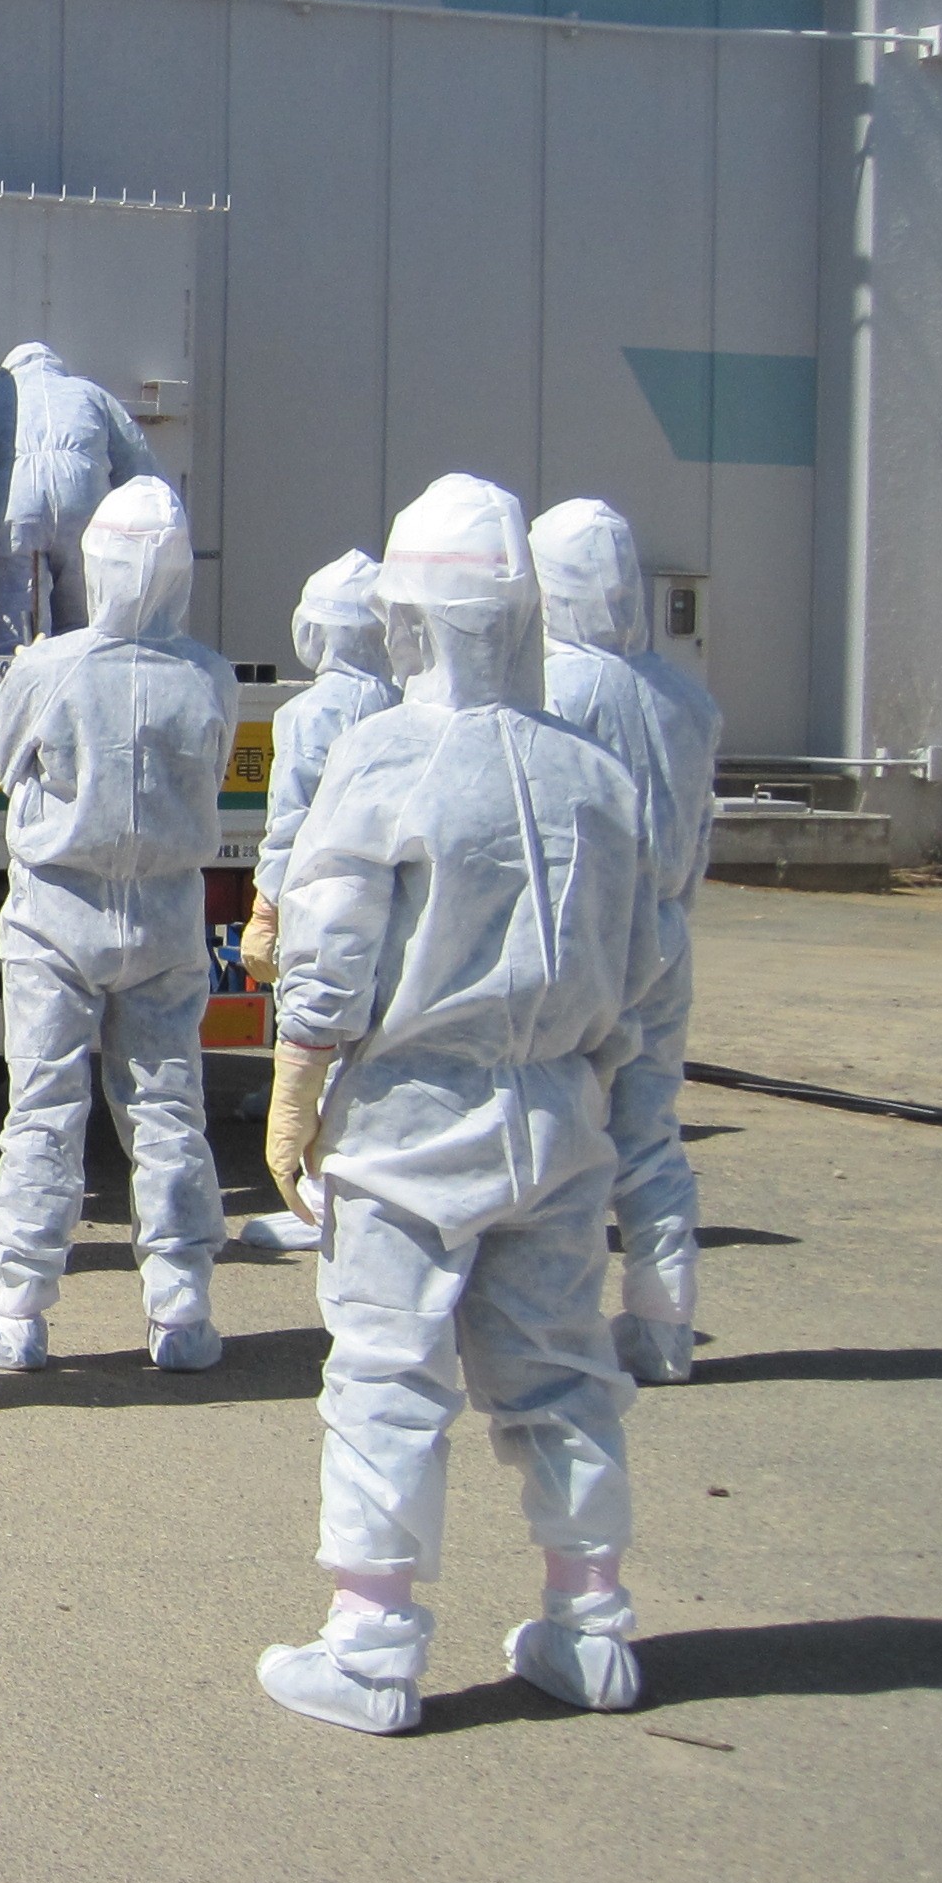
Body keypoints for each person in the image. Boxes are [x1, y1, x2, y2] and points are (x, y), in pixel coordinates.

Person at [256, 474, 660, 1734]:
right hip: (557, 1121)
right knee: (560, 1377)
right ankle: (592, 1627)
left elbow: (329, 955)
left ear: (407, 615)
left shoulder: (385, 756)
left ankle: (374, 1645)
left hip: (408, 1126)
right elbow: (637, 965)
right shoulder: (594, 776)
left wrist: (297, 1090)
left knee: (386, 1375)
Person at [0, 477, 235, 1373]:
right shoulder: (208, 677)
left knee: (45, 1107)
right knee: (170, 1107)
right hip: (169, 917)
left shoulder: (47, 667)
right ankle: (181, 1309)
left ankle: (18, 1307)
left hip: (57, 918)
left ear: (94, 568)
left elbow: (2, 750)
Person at [533, 499, 724, 1386]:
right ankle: (663, 1329)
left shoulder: (553, 689)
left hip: (584, 936)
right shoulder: (686, 694)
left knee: (563, 1127)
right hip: (669, 930)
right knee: (650, 1129)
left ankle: (551, 1324)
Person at [236, 549, 397, 1251]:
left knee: (317, 1031)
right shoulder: (403, 706)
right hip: (393, 903)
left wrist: (266, 906)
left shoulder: (308, 715)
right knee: (372, 1040)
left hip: (319, 901)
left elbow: (289, 822)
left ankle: (321, 1198)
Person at [0, 341, 154, 652]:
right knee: (85, 624)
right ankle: (79, 686)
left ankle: (14, 686)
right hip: (85, 506)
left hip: (15, 511)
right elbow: (137, 467)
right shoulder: (91, 394)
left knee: (15, 634)